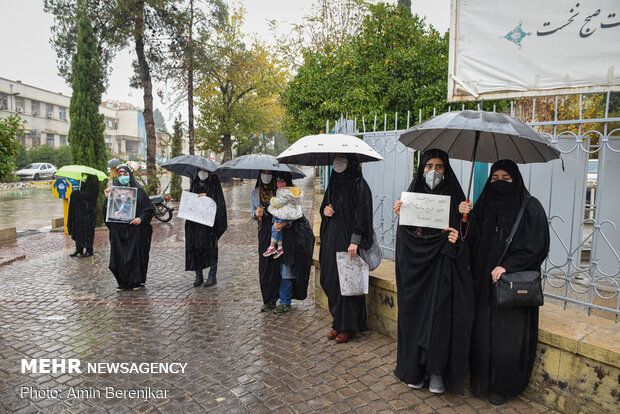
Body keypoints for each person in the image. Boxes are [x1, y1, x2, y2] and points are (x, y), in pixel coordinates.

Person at [459, 159, 549, 405]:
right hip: (483, 284)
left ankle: (503, 387)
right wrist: (465, 219)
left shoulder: (531, 207)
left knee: (506, 338)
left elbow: (537, 247)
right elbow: (471, 241)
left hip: (511, 287)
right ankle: (481, 382)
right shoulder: (483, 205)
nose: (499, 183)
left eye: (506, 179)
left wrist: (508, 266)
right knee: (483, 334)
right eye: (494, 178)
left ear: (516, 180)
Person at [392, 149, 474, 395]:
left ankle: (437, 371)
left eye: (439, 167)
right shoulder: (412, 197)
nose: (433, 172)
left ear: (446, 170)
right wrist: (401, 215)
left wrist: (464, 221)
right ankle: (414, 370)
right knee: (414, 318)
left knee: (439, 319)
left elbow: (467, 241)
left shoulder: (456, 198)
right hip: (416, 274)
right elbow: (405, 239)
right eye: (428, 166)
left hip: (442, 268)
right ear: (421, 169)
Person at [319, 154, 374, 344]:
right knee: (332, 280)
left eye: (342, 159)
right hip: (331, 239)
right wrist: (325, 211)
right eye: (335, 159)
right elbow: (324, 205)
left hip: (349, 242)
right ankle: (337, 322)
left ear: (350, 162)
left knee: (348, 283)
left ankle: (348, 326)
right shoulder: (333, 182)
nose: (338, 163)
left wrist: (355, 240)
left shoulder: (359, 184)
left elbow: (363, 215)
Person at [252, 171, 315, 314]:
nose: (266, 177)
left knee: (285, 269)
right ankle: (270, 299)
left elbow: (296, 214)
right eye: (264, 173)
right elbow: (252, 214)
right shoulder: (255, 193)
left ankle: (285, 300)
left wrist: (286, 223)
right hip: (266, 236)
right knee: (268, 270)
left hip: (287, 235)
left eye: (270, 174)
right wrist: (256, 214)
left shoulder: (286, 192)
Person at [103, 165, 155, 292]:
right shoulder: (113, 193)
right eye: (120, 175)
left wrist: (141, 218)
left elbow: (149, 209)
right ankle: (122, 282)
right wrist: (107, 199)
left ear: (130, 175)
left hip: (134, 231)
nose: (122, 178)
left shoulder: (139, 191)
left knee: (134, 256)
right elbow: (107, 211)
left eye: (125, 175)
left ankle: (135, 280)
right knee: (118, 257)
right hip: (118, 232)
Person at [185, 169, 227, 288]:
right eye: (200, 170)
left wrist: (207, 196)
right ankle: (199, 275)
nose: (202, 173)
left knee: (211, 250)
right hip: (195, 224)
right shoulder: (195, 182)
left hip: (210, 225)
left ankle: (212, 276)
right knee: (197, 250)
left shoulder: (214, 182)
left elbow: (219, 201)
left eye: (204, 170)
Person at [263, 176, 304, 259]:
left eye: (280, 181)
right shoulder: (294, 190)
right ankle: (280, 247)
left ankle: (271, 247)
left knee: (275, 228)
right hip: (289, 213)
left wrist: (272, 200)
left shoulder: (284, 191)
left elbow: (278, 203)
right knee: (278, 229)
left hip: (283, 213)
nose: (278, 183)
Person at [67, 174, 100, 257]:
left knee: (88, 231)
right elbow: (82, 194)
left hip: (89, 213)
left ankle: (89, 250)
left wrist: (78, 194)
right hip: (80, 213)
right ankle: (79, 249)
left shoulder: (95, 184)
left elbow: (90, 196)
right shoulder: (83, 185)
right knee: (78, 230)